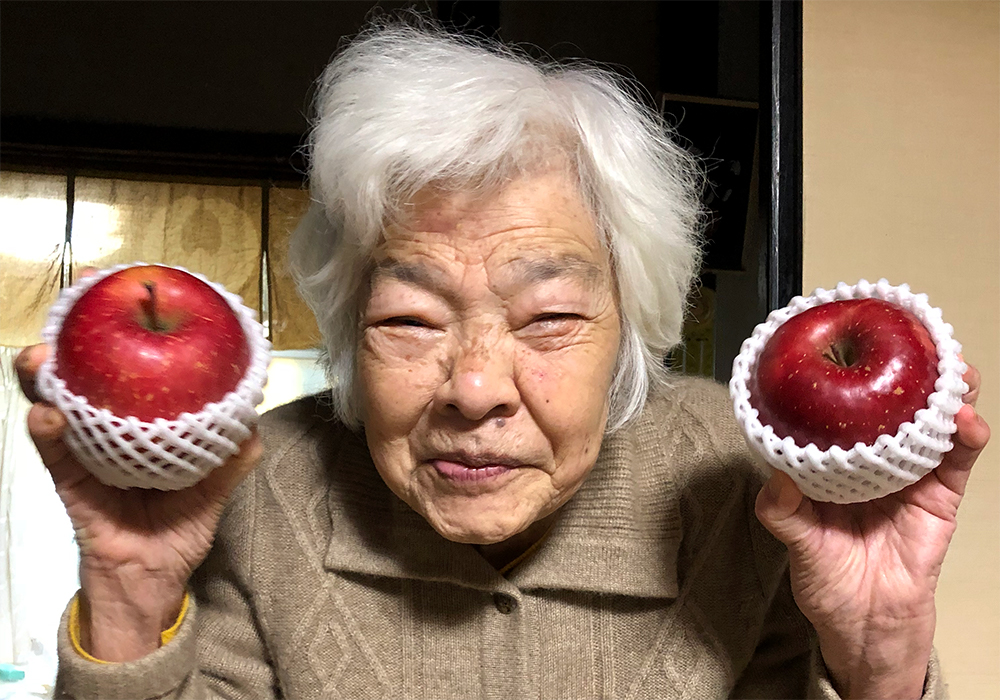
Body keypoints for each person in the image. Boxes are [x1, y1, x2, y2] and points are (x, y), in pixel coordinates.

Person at [15, 20, 989, 700]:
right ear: (349, 326)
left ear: (629, 324)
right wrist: (132, 595)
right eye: (410, 318)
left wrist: (877, 656)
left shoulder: (746, 488)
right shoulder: (266, 484)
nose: (475, 388)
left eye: (548, 316)